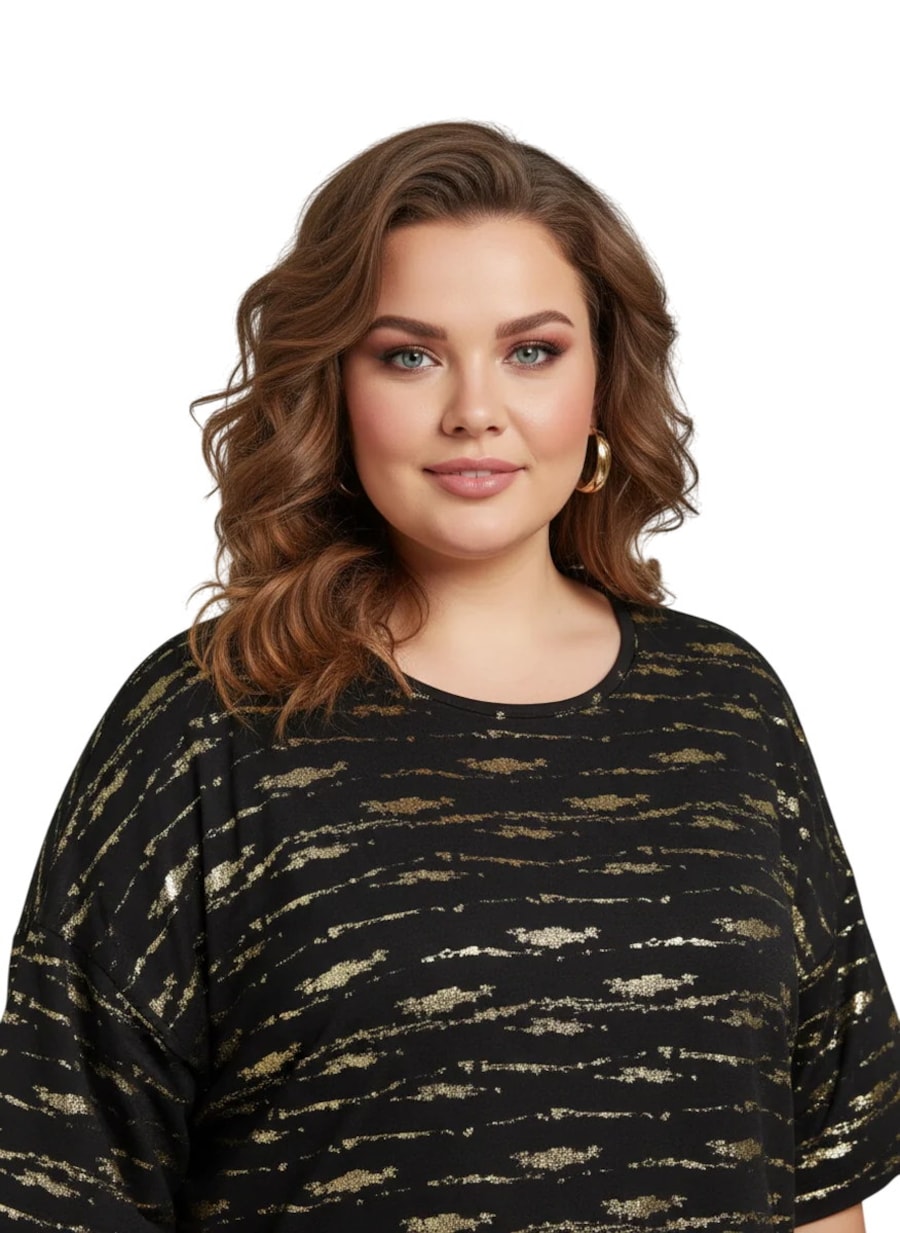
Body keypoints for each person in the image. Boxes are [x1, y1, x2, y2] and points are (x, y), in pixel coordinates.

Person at [0, 121, 897, 1233]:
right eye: (409, 355)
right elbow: (61, 1183)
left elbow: (820, 1177)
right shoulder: (208, 721)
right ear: (332, 385)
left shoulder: (726, 705)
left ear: (603, 379)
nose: (475, 408)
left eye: (533, 351)